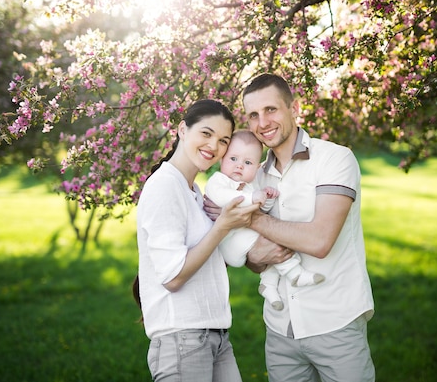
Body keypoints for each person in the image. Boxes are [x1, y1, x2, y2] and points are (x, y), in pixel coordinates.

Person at [205, 74, 375, 382]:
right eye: (253, 115)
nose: (263, 122)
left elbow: (320, 240)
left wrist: (245, 215)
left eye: (271, 110)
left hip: (335, 322)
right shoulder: (253, 173)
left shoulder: (335, 159)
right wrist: (255, 250)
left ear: (293, 108)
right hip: (280, 328)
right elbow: (254, 261)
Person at [135, 99, 259, 382]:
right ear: (182, 129)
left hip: (214, 335)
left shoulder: (193, 191)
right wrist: (223, 227)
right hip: (183, 338)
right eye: (206, 133)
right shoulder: (165, 186)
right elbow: (173, 277)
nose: (213, 146)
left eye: (223, 140)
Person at [204, 130, 325, 311]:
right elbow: (225, 198)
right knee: (274, 239)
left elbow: (260, 210)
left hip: (242, 239)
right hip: (231, 243)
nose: (239, 166)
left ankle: (268, 286)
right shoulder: (218, 181)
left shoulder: (251, 185)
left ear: (256, 167)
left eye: (247, 162)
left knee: (271, 237)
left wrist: (266, 198)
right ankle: (295, 273)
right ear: (222, 159)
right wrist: (253, 198)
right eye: (233, 159)